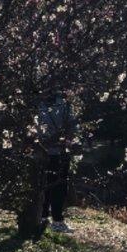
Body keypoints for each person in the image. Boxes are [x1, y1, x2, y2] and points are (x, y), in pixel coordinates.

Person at [35, 92, 79, 234]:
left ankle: (48, 217)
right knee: (56, 186)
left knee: (50, 185)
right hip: (53, 152)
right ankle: (54, 219)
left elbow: (72, 126)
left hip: (49, 152)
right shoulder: (61, 104)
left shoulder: (40, 104)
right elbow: (72, 125)